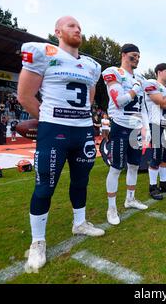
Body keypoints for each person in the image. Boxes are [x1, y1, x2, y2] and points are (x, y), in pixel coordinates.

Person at [17, 16, 105, 271]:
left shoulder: (91, 65)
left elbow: (88, 101)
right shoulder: (44, 53)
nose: (77, 29)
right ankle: (38, 241)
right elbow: (24, 96)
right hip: (54, 131)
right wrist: (48, 119)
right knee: (45, 185)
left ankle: (79, 223)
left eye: (79, 27)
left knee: (81, 181)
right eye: (71, 26)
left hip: (83, 131)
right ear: (57, 31)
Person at [101, 43, 149, 226]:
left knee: (134, 166)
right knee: (116, 168)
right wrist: (135, 88)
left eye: (138, 56)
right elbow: (119, 101)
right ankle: (111, 207)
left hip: (136, 128)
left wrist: (146, 129)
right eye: (133, 56)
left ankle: (130, 198)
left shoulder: (140, 78)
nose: (136, 59)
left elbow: (143, 106)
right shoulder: (114, 72)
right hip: (120, 125)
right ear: (123, 55)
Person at [144, 63, 166, 199]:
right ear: (159, 72)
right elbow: (163, 103)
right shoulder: (152, 83)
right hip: (156, 124)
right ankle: (152, 187)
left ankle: (163, 184)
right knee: (156, 157)